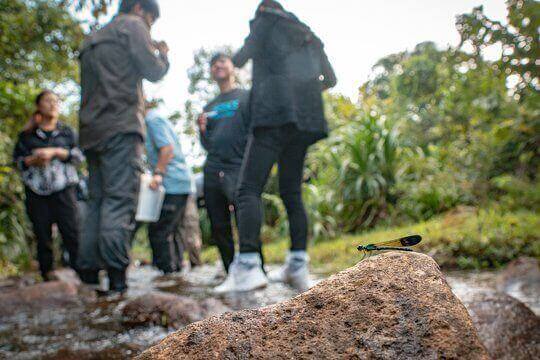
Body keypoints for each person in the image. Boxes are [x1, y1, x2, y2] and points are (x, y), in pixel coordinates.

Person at [215, 0, 337, 293]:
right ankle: (297, 266)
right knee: (291, 192)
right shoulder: (308, 34)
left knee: (248, 189)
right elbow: (330, 79)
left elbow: (240, 58)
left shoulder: (264, 22)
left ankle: (247, 266)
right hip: (305, 122)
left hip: (271, 116)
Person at [78, 0, 169, 294]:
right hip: (121, 127)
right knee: (118, 201)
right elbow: (153, 71)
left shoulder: (94, 36)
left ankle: (90, 276)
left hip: (92, 131)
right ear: (141, 9)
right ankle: (117, 281)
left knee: (96, 202)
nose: (150, 25)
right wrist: (163, 55)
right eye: (151, 19)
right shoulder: (133, 25)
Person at [13, 90, 84, 281]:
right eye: (48, 101)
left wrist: (57, 152)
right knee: (42, 234)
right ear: (39, 106)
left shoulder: (67, 132)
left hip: (64, 189)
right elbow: (17, 163)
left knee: (71, 231)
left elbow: (79, 157)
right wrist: (32, 160)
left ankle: (83, 274)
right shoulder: (27, 136)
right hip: (36, 192)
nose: (53, 104)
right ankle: (47, 275)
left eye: (56, 101)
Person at [197, 53, 252, 274]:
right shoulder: (209, 106)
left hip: (239, 165)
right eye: (213, 64)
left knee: (245, 217)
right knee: (218, 223)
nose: (217, 65)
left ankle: (253, 267)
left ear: (232, 67)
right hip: (213, 167)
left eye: (222, 61)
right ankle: (230, 272)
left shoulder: (246, 97)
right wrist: (201, 131)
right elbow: (208, 144)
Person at [144, 103, 194, 274]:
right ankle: (177, 272)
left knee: (159, 231)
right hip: (179, 183)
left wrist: (158, 173)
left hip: (171, 183)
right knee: (172, 230)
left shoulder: (152, 119)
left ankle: (167, 275)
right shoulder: (155, 118)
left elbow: (167, 149)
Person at [173, 194, 203, 270]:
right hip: (171, 194)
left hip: (188, 194)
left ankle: (197, 266)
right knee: (175, 232)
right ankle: (178, 265)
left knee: (192, 233)